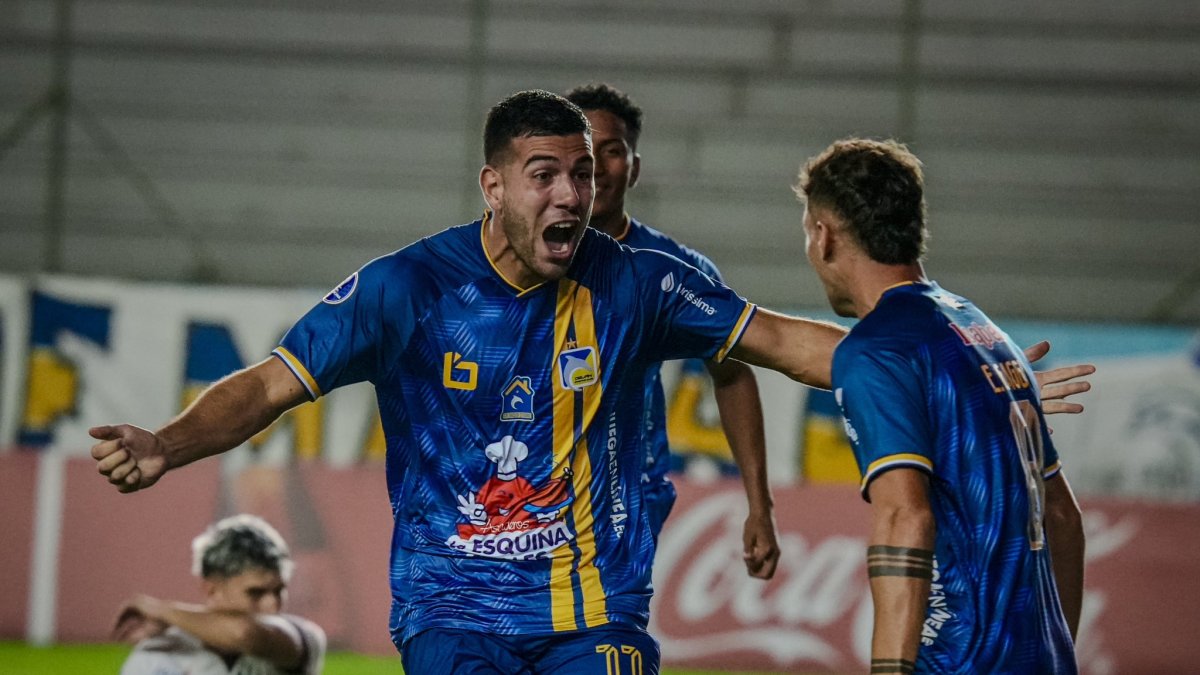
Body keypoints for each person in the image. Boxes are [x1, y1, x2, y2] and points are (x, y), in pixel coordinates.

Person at [91, 91, 1087, 674]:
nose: (571, 192)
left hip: (593, 613)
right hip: (452, 613)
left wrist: (952, 373)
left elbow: (785, 344)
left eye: (582, 173)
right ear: (494, 186)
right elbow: (269, 386)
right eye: (545, 174)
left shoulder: (640, 281)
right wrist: (165, 442)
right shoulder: (406, 290)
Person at [796, 138, 1086, 673]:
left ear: (823, 234)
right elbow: (1063, 518)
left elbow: (905, 516)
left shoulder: (877, 351)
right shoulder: (981, 331)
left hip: (958, 661)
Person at [564, 83, 777, 578]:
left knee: (601, 621)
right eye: (583, 152)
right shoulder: (518, 259)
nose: (597, 167)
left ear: (634, 168)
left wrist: (759, 505)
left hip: (624, 500)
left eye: (612, 151)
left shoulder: (675, 270)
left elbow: (731, 376)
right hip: (524, 497)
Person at [114, 514, 326, 675]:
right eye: (256, 593)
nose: (272, 604)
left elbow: (245, 633)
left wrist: (162, 610)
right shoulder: (159, 654)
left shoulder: (303, 638)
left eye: (279, 591)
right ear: (212, 589)